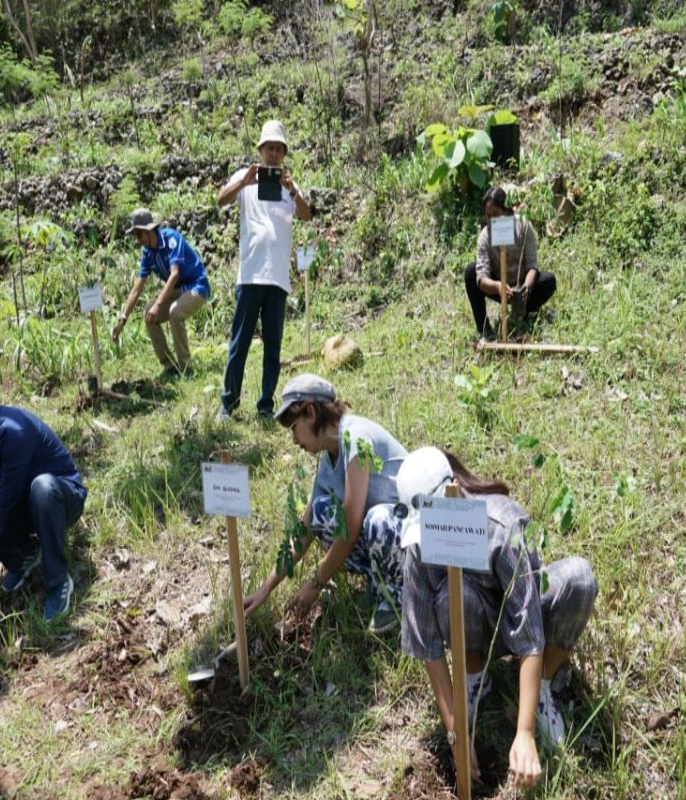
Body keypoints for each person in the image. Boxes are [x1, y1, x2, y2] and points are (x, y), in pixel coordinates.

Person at [397, 447, 598, 790]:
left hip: (519, 622)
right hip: (477, 623)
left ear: (455, 490)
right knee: (452, 596)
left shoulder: (503, 526)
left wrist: (524, 733)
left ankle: (542, 689)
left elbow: (530, 630)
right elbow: (427, 642)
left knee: (580, 578)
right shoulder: (418, 544)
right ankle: (476, 677)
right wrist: (456, 731)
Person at [242, 374, 407, 633]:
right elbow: (304, 530)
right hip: (387, 542)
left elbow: (351, 529)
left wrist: (314, 584)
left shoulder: (356, 438)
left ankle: (399, 596)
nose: (295, 441)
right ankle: (380, 584)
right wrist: (266, 587)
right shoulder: (327, 460)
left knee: (378, 520)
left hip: (412, 538)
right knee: (321, 512)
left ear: (310, 412)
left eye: (294, 428)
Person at [0, 378, 87, 622]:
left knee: (42, 486)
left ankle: (58, 580)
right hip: (25, 502)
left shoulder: (14, 433)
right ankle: (23, 557)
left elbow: (4, 503)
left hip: (61, 499)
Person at [216, 119, 312, 421]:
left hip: (278, 278)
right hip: (251, 274)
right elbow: (220, 200)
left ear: (283, 153)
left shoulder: (289, 185)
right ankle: (228, 403)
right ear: (260, 150)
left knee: (273, 347)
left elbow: (307, 216)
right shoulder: (244, 178)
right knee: (240, 342)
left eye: (278, 148)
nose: (272, 153)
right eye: (268, 147)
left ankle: (265, 405)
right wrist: (244, 181)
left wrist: (292, 191)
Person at [112, 208, 211, 376]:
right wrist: (122, 319)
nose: (137, 240)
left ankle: (186, 368)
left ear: (148, 231)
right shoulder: (148, 253)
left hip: (196, 286)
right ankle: (170, 366)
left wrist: (158, 304)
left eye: (138, 235)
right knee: (149, 316)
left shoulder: (171, 238)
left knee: (175, 312)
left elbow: (174, 274)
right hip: (178, 290)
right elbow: (136, 289)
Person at [464, 186, 556, 342]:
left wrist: (526, 287)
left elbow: (532, 266)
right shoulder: (484, 237)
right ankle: (485, 331)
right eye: (488, 216)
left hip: (522, 288)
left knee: (548, 281)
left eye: (496, 216)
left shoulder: (524, 226)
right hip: (500, 289)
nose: (491, 221)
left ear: (507, 212)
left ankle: (524, 311)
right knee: (470, 272)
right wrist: (498, 286)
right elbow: (481, 277)